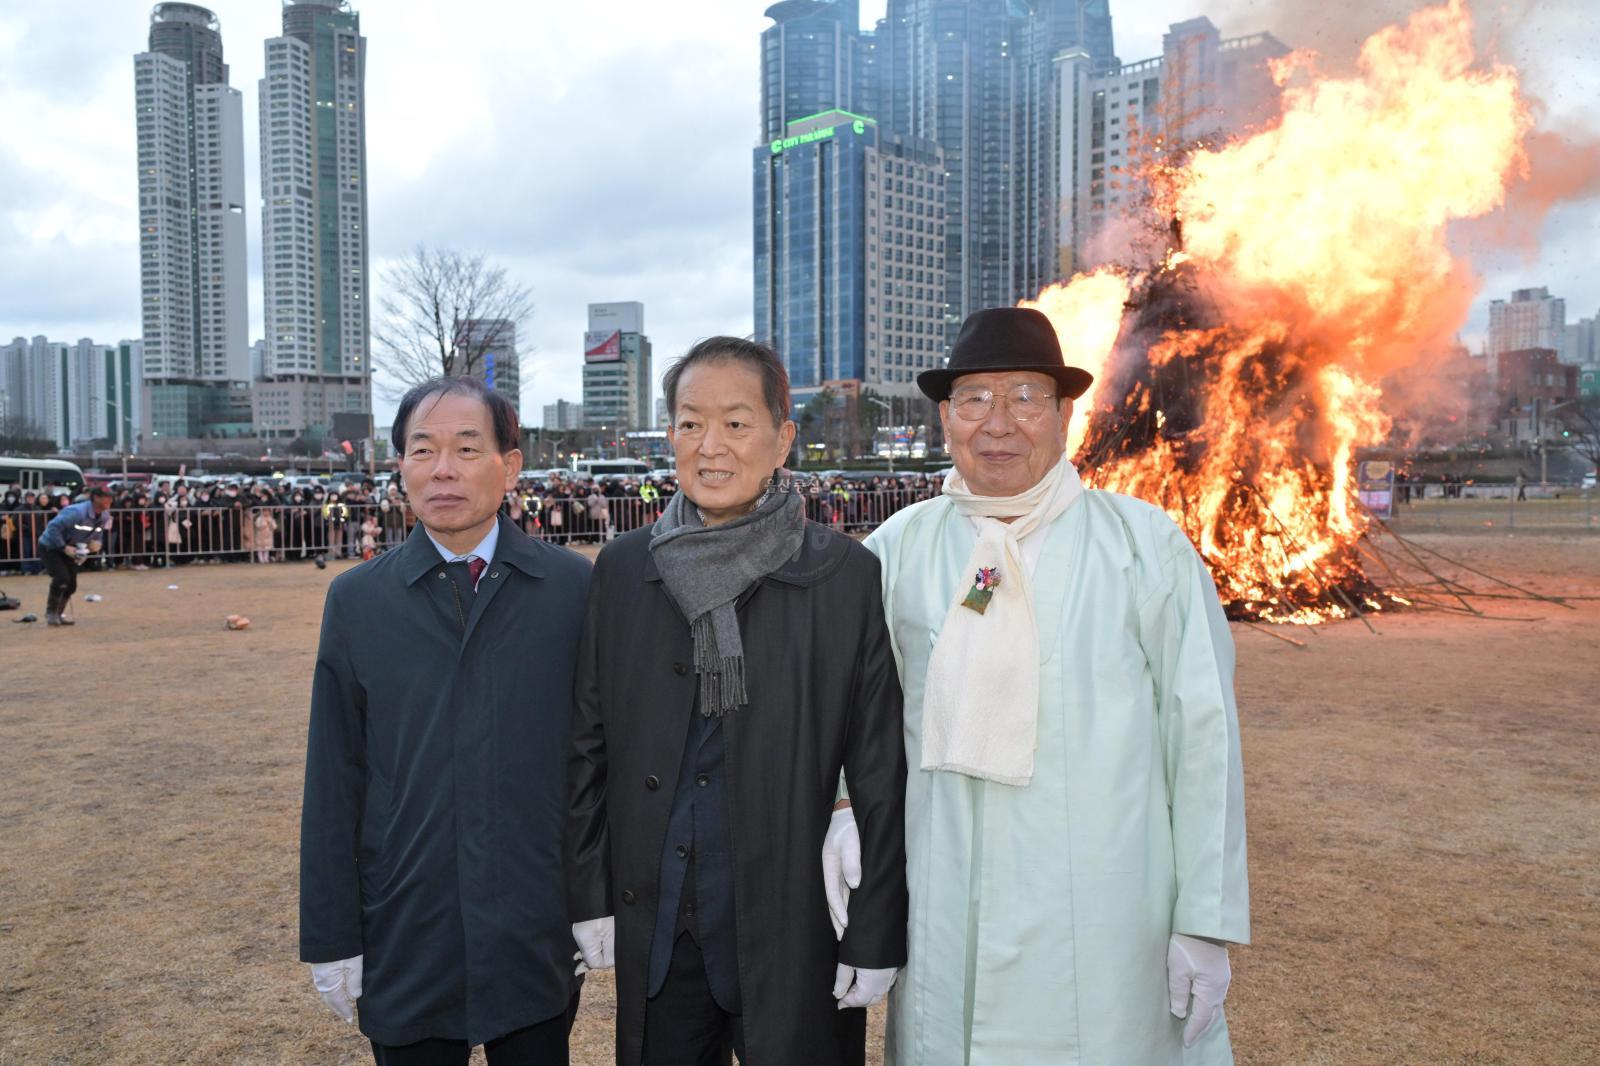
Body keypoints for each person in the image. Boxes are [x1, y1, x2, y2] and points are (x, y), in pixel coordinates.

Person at [828, 307, 1250, 1065]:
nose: (999, 422)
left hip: (1107, 912)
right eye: (974, 399)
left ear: (1063, 415)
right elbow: (846, 709)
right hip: (943, 896)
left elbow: (1203, 735)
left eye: (1024, 398)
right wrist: (841, 805)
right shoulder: (899, 549)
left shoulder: (1144, 548)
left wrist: (1204, 919)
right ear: (945, 416)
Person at [567, 336, 908, 1066]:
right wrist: (589, 892)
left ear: (783, 437)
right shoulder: (627, 569)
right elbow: (587, 746)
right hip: (662, 925)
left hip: (793, 927)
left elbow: (879, 765)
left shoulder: (841, 575)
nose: (709, 446)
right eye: (690, 423)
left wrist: (877, 927)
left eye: (735, 422)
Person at [300, 375, 591, 1065]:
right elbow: (334, 780)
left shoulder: (573, 590)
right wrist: (331, 935)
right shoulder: (358, 601)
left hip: (534, 917)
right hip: (406, 918)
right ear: (399, 466)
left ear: (510, 465)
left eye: (466, 448)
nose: (444, 470)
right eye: (422, 450)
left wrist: (596, 898)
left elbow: (597, 759)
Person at [36, 486, 113, 626]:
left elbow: (98, 534)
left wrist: (95, 544)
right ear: (96, 497)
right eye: (106, 497)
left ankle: (59, 614)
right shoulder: (77, 512)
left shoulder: (104, 515)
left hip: (73, 548)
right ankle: (51, 613)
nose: (110, 500)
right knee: (61, 578)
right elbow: (53, 528)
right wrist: (63, 547)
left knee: (71, 585)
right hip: (51, 547)